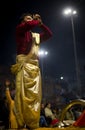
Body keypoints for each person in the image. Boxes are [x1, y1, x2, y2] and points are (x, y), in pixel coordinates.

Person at [11, 13, 52, 129]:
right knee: (22, 97)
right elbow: (28, 26)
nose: (31, 21)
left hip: (34, 68)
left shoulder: (35, 36)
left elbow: (49, 34)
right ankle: (21, 123)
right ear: (22, 22)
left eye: (31, 19)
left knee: (35, 97)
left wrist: (41, 24)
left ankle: (32, 123)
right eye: (28, 19)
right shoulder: (20, 29)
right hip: (24, 66)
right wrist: (34, 21)